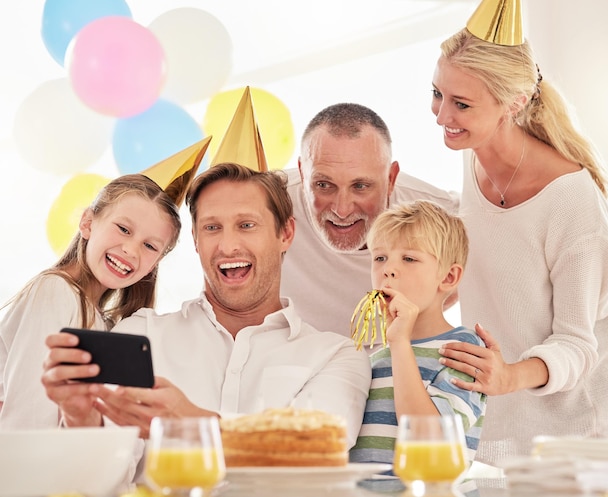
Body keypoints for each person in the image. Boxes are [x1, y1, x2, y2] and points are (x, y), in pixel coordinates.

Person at [41, 163, 371, 449]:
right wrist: (80, 416)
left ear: (285, 234)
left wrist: (192, 425)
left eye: (246, 225)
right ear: (196, 242)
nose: (227, 246)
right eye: (212, 228)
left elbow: (318, 448)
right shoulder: (139, 334)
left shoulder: (336, 355)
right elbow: (109, 477)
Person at [432, 0, 608, 465]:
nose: (441, 115)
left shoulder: (571, 200)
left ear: (514, 103)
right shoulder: (472, 151)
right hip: (501, 419)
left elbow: (577, 344)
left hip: (585, 430)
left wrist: (509, 376)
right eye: (437, 93)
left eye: (461, 104)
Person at [0, 174, 181, 429]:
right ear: (87, 223)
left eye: (150, 246)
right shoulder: (55, 290)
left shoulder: (105, 322)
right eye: (124, 229)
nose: (131, 249)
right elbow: (27, 418)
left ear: (156, 262)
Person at [281, 103, 458, 338]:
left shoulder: (444, 218)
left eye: (361, 186)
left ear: (391, 178)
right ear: (303, 173)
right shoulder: (264, 202)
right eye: (323, 185)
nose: (342, 210)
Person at [349, 200, 486, 467]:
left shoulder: (463, 349)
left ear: (448, 277)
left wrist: (400, 342)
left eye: (409, 258)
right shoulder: (374, 359)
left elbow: (430, 440)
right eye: (380, 257)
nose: (387, 269)